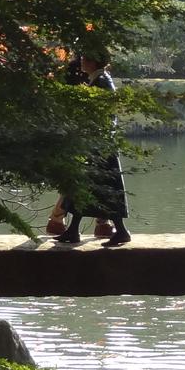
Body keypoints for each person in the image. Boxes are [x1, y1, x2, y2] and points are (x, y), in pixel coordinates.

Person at [55, 46, 133, 247]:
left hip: (100, 145)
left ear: (93, 61)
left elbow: (102, 116)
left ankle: (121, 231)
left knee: (103, 189)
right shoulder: (98, 80)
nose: (81, 61)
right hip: (97, 143)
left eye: (85, 58)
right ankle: (73, 230)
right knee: (86, 188)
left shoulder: (101, 81)